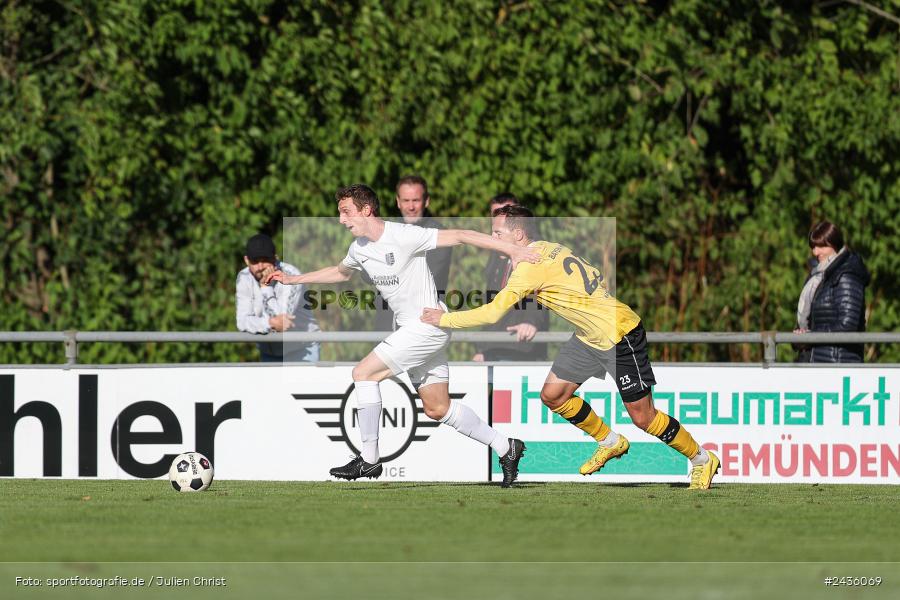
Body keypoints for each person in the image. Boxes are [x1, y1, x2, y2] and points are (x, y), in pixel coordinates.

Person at [422, 205, 720, 489]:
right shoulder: (551, 246)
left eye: (497, 234)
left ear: (518, 235)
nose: (493, 239)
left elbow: (491, 313)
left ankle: (701, 459)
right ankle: (609, 441)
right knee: (553, 395)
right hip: (589, 337)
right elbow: (594, 276)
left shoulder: (529, 266)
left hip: (619, 333)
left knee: (644, 418)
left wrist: (445, 319)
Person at [265, 184, 539, 486]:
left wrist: (512, 248)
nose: (341, 220)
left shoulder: (404, 235)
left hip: (427, 325)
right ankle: (506, 446)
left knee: (363, 373)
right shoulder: (359, 248)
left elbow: (460, 235)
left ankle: (368, 459)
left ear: (366, 209)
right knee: (438, 408)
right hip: (414, 329)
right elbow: (341, 273)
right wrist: (293, 279)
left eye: (346, 212)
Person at [472, 193, 549, 362]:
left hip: (521, 345)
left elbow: (540, 292)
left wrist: (531, 322)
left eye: (507, 212)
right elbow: (491, 301)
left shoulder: (535, 251)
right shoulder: (497, 254)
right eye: (496, 214)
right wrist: (482, 347)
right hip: (494, 347)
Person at [372, 175, 453, 331]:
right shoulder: (386, 232)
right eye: (406, 201)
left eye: (415, 200)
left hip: (423, 323)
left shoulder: (439, 234)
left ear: (426, 201)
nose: (411, 207)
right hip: (386, 322)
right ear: (398, 202)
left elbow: (423, 280)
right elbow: (369, 275)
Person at [235, 233, 320, 362]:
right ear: (246, 260)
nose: (260, 266)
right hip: (268, 353)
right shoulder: (243, 278)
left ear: (275, 259)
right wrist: (268, 323)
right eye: (255, 261)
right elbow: (242, 322)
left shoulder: (292, 275)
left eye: (265, 260)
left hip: (302, 350)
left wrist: (265, 288)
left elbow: (282, 324)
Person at [794, 221, 870, 363]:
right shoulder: (819, 275)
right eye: (813, 246)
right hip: (815, 361)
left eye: (821, 246)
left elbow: (847, 325)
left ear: (834, 243)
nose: (815, 252)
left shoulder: (847, 274)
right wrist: (800, 337)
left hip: (836, 365)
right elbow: (813, 321)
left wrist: (810, 337)